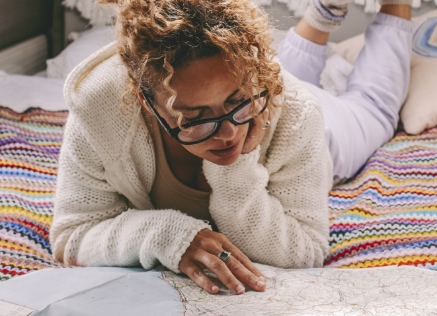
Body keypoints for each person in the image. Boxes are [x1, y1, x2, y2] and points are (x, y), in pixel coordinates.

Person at [51, 0, 412, 296]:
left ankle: (395, 6)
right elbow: (72, 236)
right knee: (265, 87)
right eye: (194, 118)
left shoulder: (299, 115)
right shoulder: (100, 109)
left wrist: (234, 168)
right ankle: (322, 17)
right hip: (264, 91)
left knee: (374, 105)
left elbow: (307, 251)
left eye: (236, 101)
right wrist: (168, 235)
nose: (227, 135)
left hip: (328, 133)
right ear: (147, 104)